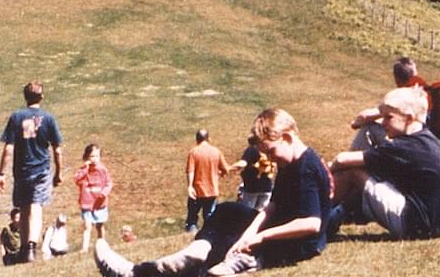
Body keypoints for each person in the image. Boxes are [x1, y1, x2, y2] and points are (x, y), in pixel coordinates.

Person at [96, 108, 329, 277]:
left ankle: (135, 273)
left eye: (272, 151)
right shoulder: (290, 163)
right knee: (228, 210)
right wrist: (250, 231)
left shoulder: (305, 167)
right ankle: (199, 249)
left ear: (287, 137)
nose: (270, 158)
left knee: (229, 243)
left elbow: (311, 223)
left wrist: (259, 237)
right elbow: (273, 206)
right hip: (282, 230)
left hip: (299, 245)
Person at [327, 86, 440, 240]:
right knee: (370, 133)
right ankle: (339, 212)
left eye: (388, 117)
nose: (383, 122)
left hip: (418, 226)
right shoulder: (425, 137)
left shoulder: (403, 148)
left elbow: (342, 160)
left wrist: (323, 169)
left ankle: (320, 214)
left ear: (409, 118)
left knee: (354, 173)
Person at [0, 81, 64, 263]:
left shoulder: (16, 117)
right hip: (41, 170)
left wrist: (1, 174)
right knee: (36, 208)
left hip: (22, 170)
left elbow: (8, 148)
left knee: (25, 208)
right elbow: (57, 149)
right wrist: (58, 172)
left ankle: (26, 249)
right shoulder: (48, 119)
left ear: (25, 97)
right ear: (41, 96)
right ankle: (31, 248)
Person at [347, 56, 429, 149]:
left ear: (396, 78)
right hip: (427, 138)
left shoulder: (404, 95)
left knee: (369, 128)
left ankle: (351, 162)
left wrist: (355, 123)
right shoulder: (424, 91)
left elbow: (364, 116)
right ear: (415, 73)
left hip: (411, 141)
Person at [185, 128, 230, 233]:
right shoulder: (216, 151)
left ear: (197, 139)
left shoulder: (193, 152)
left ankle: (192, 234)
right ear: (209, 138)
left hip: (197, 190)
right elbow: (226, 169)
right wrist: (219, 172)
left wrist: (190, 186)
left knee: (192, 217)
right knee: (209, 216)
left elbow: (190, 171)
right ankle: (209, 234)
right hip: (212, 189)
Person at [74, 143, 113, 253]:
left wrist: (105, 192)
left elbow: (109, 183)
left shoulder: (102, 170)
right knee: (87, 226)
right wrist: (85, 168)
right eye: (92, 156)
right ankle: (85, 248)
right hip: (87, 202)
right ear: (86, 157)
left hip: (99, 203)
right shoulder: (83, 170)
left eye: (97, 156)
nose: (94, 159)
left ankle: (102, 245)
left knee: (100, 226)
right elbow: (77, 180)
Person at [230, 135, 273, 210]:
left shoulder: (251, 150)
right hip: (267, 187)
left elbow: (243, 163)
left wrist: (229, 167)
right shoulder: (267, 149)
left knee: (248, 212)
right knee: (262, 213)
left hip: (252, 187)